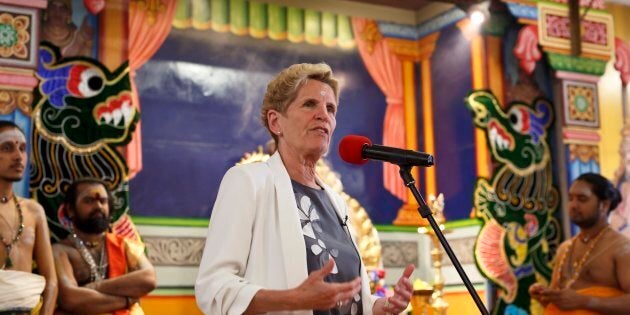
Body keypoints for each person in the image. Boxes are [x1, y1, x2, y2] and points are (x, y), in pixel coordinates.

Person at [195, 63, 414, 314]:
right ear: (276, 122)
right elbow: (214, 288)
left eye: (330, 108)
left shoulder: (336, 202)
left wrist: (384, 306)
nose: (323, 114)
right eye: (310, 104)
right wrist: (292, 299)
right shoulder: (248, 182)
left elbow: (354, 300)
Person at [529, 173, 630, 314]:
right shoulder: (564, 249)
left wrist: (585, 301)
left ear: (604, 205)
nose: (573, 205)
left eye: (582, 199)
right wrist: (544, 296)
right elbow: (558, 301)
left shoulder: (621, 248)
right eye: (571, 198)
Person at [53, 179, 156, 314]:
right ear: (70, 209)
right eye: (89, 201)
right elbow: (71, 299)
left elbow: (148, 279)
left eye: (103, 201)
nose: (98, 206)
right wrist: (127, 300)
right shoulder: (60, 251)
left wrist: (95, 286)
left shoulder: (123, 245)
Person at [0, 121, 57, 314]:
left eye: (23, 149)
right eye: (7, 148)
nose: (18, 157)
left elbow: (51, 282)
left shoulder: (34, 211)